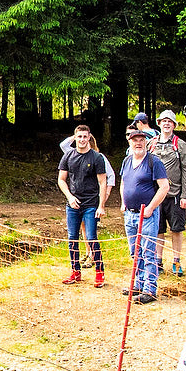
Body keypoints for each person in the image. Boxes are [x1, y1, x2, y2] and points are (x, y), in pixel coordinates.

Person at [58, 121, 113, 286]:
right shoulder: (68, 156)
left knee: (91, 237)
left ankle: (99, 273)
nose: (82, 139)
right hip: (73, 204)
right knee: (72, 238)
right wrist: (69, 197)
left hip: (91, 204)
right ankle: (75, 271)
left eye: (85, 137)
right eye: (79, 137)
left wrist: (101, 205)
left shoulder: (97, 157)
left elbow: (103, 182)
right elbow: (61, 180)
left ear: (89, 138)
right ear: (75, 138)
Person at [119, 124, 169, 304]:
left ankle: (150, 289)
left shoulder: (153, 162)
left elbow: (164, 187)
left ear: (146, 142)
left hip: (147, 215)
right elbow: (124, 183)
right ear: (129, 142)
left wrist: (150, 208)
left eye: (141, 140)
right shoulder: (126, 161)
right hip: (130, 215)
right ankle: (138, 284)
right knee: (135, 252)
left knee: (148, 252)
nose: (138, 143)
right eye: (135, 140)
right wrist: (124, 203)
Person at [151, 110, 186, 277]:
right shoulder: (151, 144)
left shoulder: (180, 145)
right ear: (159, 123)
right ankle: (158, 261)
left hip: (175, 195)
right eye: (163, 121)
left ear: (174, 125)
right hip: (155, 196)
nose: (166, 124)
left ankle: (176, 260)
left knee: (176, 229)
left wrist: (185, 195)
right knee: (158, 230)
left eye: (170, 121)